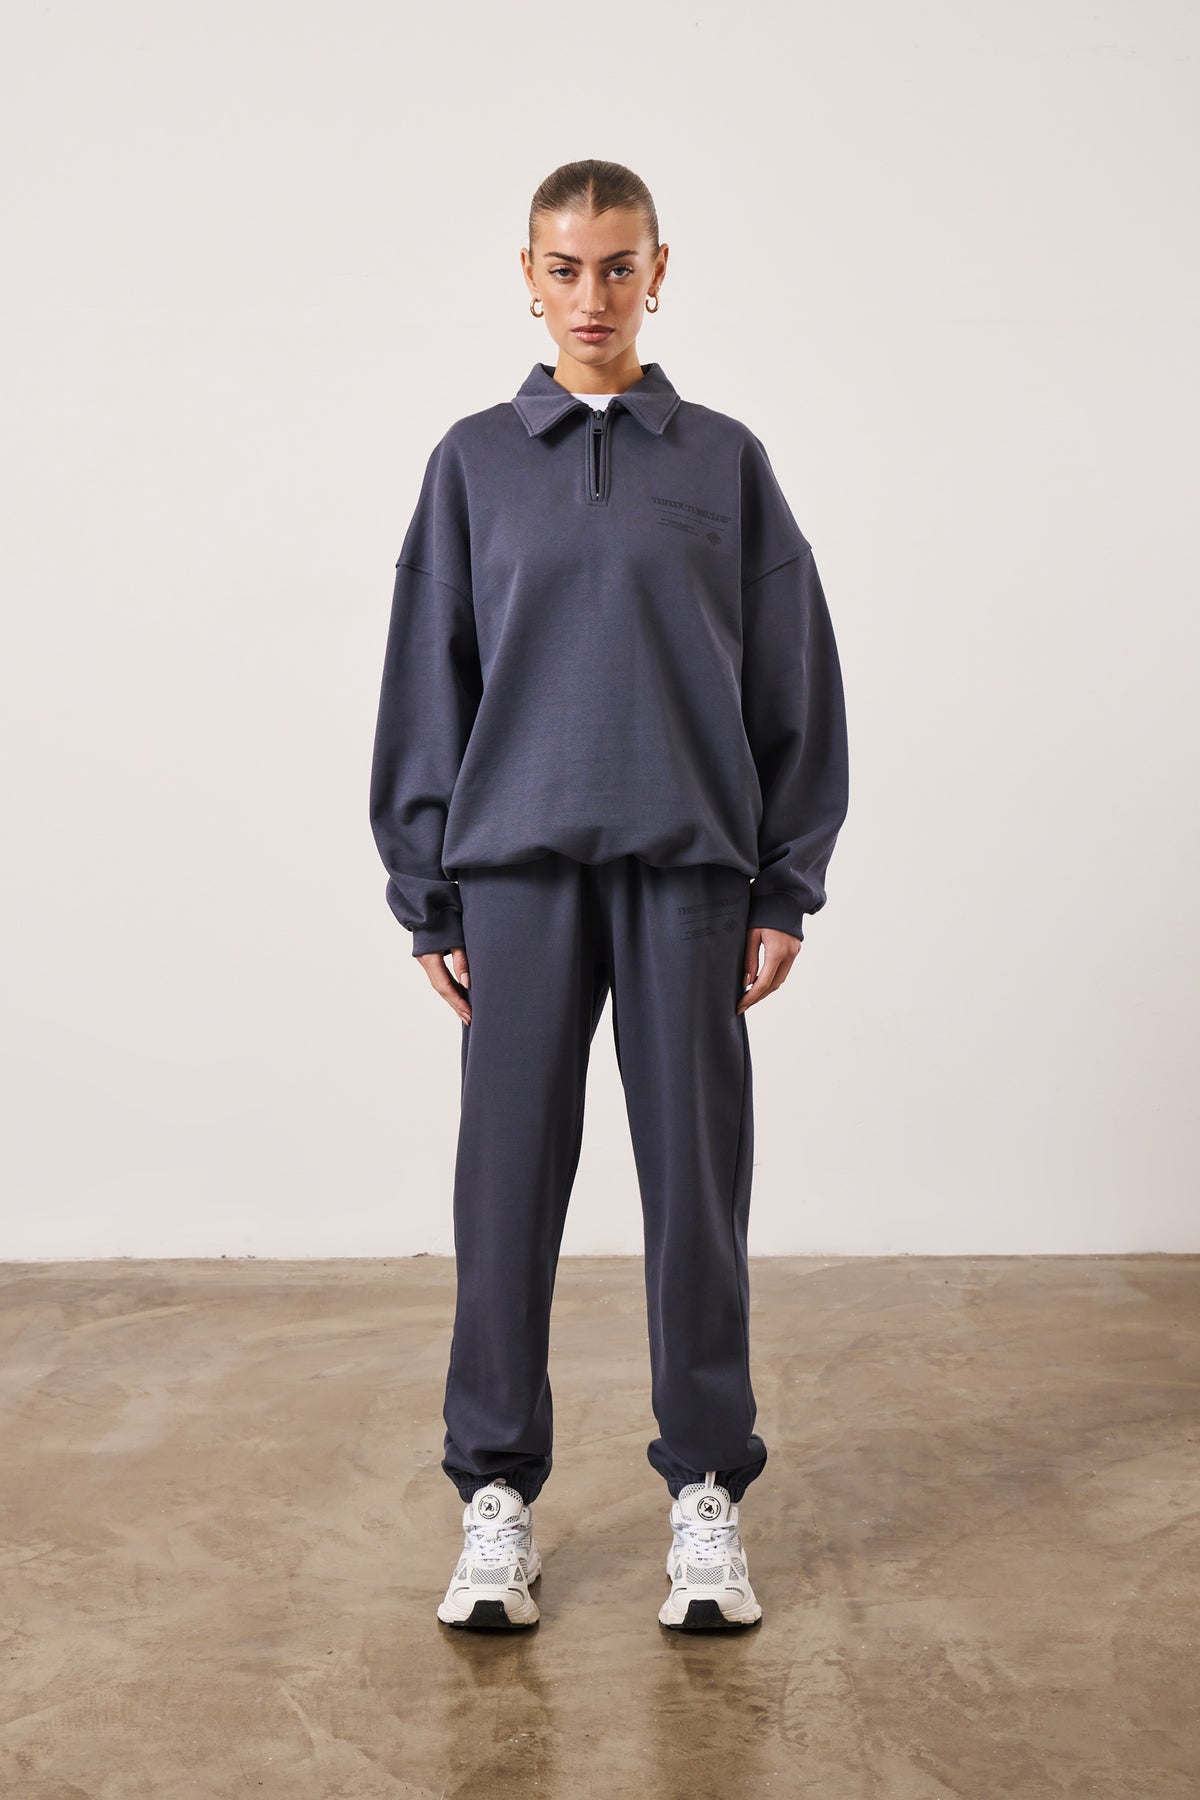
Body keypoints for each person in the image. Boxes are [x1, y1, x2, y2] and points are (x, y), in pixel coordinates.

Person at [369, 159, 850, 1633]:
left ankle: (705, 1493)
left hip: (689, 871)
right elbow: (428, 678)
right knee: (505, 1191)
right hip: (515, 875)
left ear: (659, 272)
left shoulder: (724, 460)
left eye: (619, 266)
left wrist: (785, 881)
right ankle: (494, 1500)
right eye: (566, 268)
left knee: (696, 1191)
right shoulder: (471, 463)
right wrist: (428, 891)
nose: (594, 296)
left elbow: (794, 681)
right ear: (527, 276)